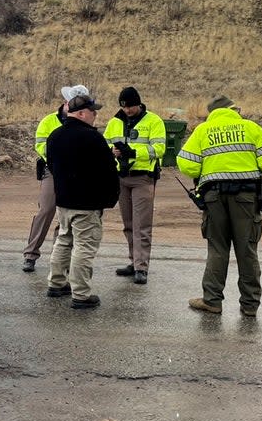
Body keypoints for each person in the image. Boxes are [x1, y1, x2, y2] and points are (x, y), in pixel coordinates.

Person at [176, 94, 262, 317]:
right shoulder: (249, 128)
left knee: (217, 248)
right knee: (247, 249)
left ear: (212, 113)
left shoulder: (203, 131)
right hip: (246, 196)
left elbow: (186, 164)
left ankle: (212, 300)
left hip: (214, 197)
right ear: (233, 110)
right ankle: (250, 305)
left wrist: (206, 169)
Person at [44, 92, 120, 309]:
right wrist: (111, 197)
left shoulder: (55, 136)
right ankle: (81, 294)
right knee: (84, 247)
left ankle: (56, 283)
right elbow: (108, 170)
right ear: (82, 113)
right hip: (87, 203)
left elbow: (51, 165)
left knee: (64, 240)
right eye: (93, 111)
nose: (95, 114)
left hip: (64, 200)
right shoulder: (92, 138)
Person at [21, 84, 89, 273]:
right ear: (65, 102)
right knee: (46, 209)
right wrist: (60, 158)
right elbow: (40, 145)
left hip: (75, 173)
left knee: (66, 215)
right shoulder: (49, 121)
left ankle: (59, 258)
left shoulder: (84, 122)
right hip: (53, 169)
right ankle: (31, 253)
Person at [103, 86, 166, 285]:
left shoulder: (153, 121)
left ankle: (141, 267)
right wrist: (112, 152)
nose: (128, 110)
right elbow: (104, 144)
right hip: (121, 177)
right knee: (129, 224)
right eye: (124, 106)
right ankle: (134, 261)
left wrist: (133, 152)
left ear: (139, 103)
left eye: (131, 106)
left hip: (143, 177)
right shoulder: (114, 122)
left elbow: (159, 149)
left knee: (142, 224)